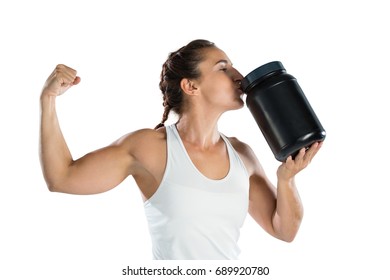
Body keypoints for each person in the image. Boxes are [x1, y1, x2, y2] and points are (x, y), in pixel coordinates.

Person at [39, 39, 322, 260]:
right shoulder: (148, 147)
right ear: (191, 86)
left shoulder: (243, 155)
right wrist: (48, 99)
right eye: (223, 68)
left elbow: (284, 230)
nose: (239, 76)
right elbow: (62, 177)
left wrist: (287, 179)